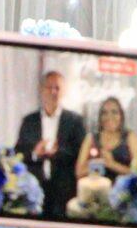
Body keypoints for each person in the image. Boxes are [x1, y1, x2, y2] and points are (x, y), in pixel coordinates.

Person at [14, 70, 85, 219]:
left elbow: (80, 152)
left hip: (65, 189)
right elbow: (19, 153)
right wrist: (35, 153)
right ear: (41, 89)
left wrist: (57, 153)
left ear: (64, 91)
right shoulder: (29, 121)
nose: (53, 92)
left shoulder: (75, 121)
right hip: (33, 190)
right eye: (49, 87)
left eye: (57, 88)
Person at [78, 96, 136, 181]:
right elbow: (79, 172)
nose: (109, 116)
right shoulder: (91, 138)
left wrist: (112, 164)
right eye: (104, 113)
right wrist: (100, 164)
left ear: (121, 116)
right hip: (97, 188)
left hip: (124, 188)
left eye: (114, 112)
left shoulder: (130, 137)